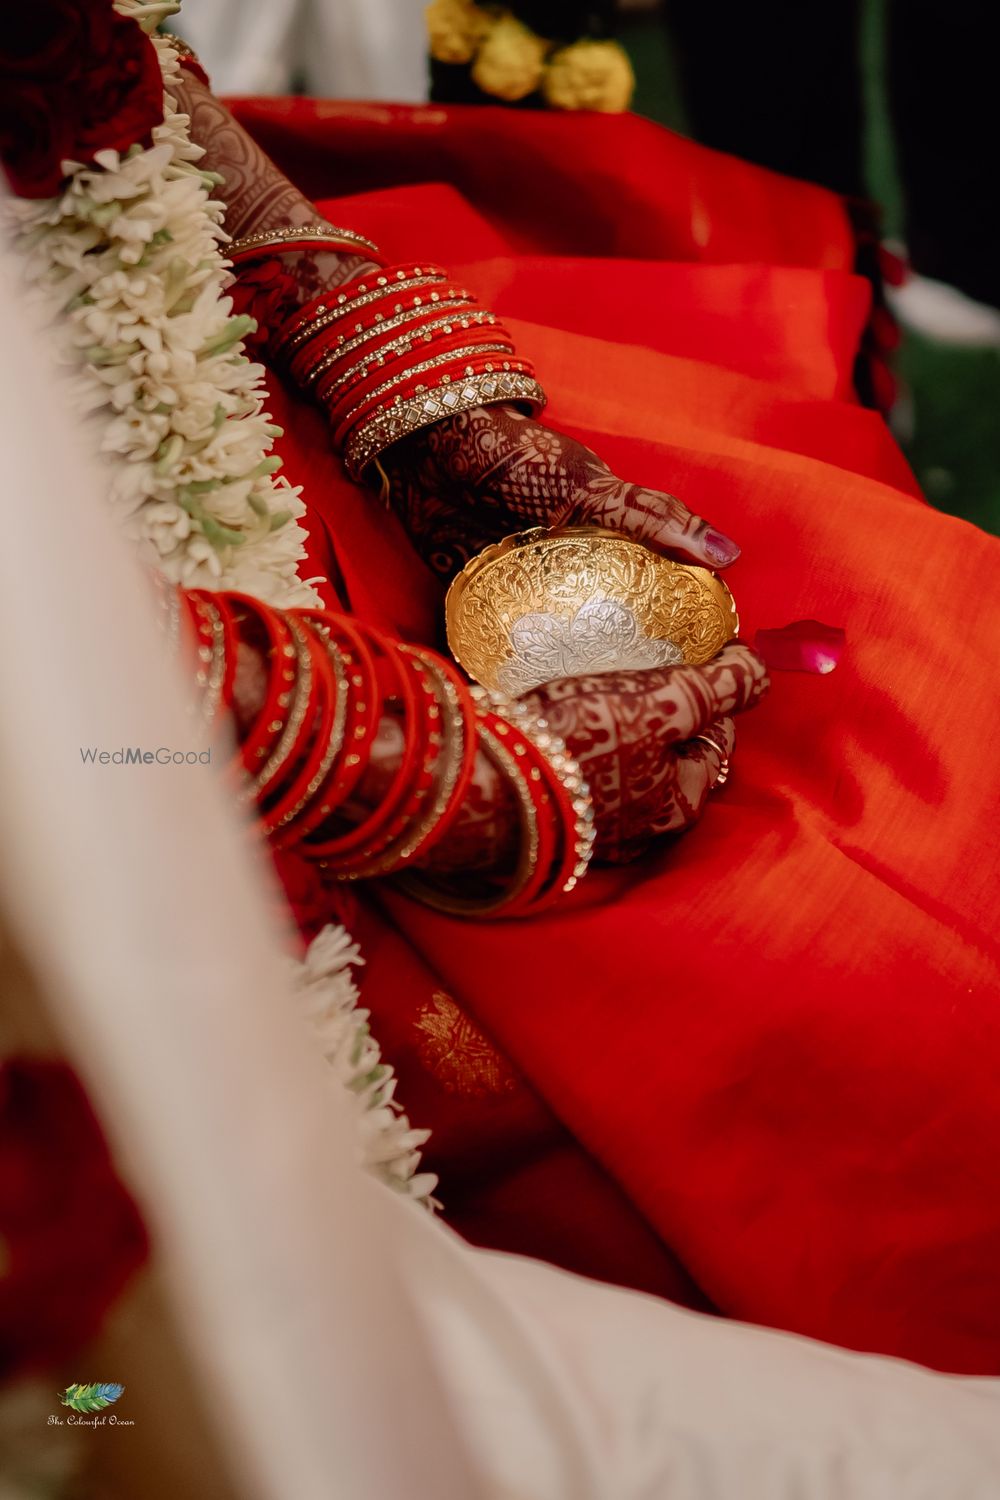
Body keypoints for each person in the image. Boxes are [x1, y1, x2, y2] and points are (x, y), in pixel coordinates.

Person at [4, 6, 999, 1381]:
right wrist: (413, 767)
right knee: (811, 991)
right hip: (100, 773)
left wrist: (375, 360)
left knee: (914, 643)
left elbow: (96, 69)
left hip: (218, 425)